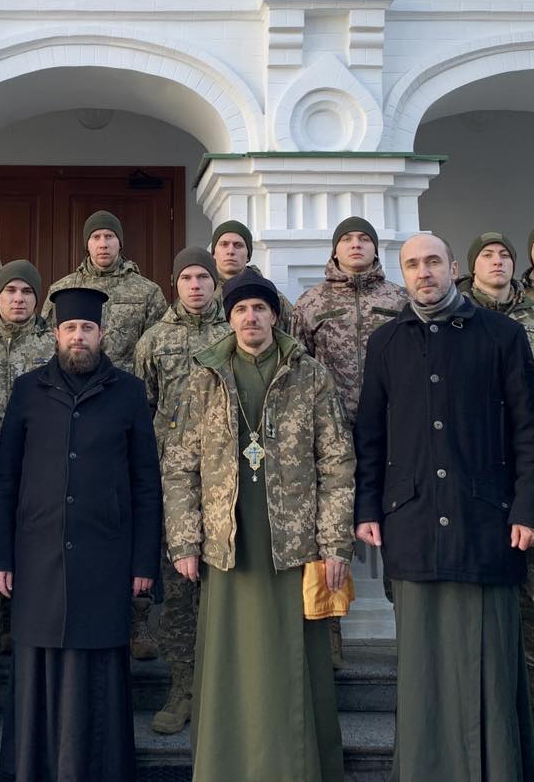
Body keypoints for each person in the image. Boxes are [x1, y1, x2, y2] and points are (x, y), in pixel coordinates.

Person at [355, 233, 534, 782]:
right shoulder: (386, 342)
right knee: (422, 667)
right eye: (413, 264)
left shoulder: (502, 335)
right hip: (412, 520)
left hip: (487, 522)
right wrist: (367, 507)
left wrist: (531, 507)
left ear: (454, 268)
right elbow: (370, 434)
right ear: (402, 273)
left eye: (434, 262)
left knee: (487, 660)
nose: (424, 272)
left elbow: (532, 431)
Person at [164, 267, 353, 782]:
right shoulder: (203, 378)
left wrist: (336, 543)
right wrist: (184, 538)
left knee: (291, 660)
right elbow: (180, 465)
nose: (251, 317)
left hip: (294, 541)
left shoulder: (308, 374)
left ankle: (295, 766)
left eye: (259, 308)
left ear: (275, 316)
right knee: (233, 659)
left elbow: (336, 462)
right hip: (229, 541)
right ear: (230, 319)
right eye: (241, 309)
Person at [0, 286, 162, 781]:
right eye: (70, 329)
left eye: (88, 328)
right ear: (56, 334)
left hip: (105, 557)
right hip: (36, 554)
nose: (79, 337)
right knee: (36, 673)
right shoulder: (28, 389)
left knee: (99, 675)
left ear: (102, 335)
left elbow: (146, 483)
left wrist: (144, 563)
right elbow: (6, 477)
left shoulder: (128, 391)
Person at [459, 231, 534, 748]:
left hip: (526, 468)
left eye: (505, 254)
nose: (498, 262)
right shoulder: (453, 318)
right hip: (468, 471)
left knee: (530, 594)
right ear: (469, 265)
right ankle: (474, 702)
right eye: (487, 255)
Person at [290, 216, 406, 667]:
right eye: (347, 239)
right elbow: (296, 365)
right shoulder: (312, 301)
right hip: (329, 432)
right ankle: (330, 630)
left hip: (391, 431)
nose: (356, 245)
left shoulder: (398, 299)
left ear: (376, 250)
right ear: (334, 250)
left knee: (397, 526)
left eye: (364, 239)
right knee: (328, 533)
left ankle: (408, 624)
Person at [132, 246, 230, 733]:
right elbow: (142, 404)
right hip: (175, 479)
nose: (196, 285)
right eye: (187, 277)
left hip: (230, 478)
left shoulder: (237, 331)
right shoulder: (155, 340)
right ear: (174, 283)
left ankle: (227, 689)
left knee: (230, 585)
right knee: (179, 583)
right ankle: (183, 686)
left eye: (203, 277)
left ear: (216, 283)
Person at [0, 260, 56, 734]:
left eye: (26, 291)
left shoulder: (52, 344)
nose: (18, 298)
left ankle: (29, 686)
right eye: (10, 290)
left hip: (37, 481)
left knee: (33, 584)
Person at [43, 210, 166, 379]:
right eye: (96, 237)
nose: (103, 244)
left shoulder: (148, 291)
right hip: (74, 385)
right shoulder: (63, 289)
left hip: (125, 386)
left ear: (120, 242)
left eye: (109, 236)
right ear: (87, 244)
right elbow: (47, 342)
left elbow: (157, 348)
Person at [210, 219, 293, 322]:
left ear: (248, 255)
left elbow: (293, 332)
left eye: (238, 245)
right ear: (214, 252)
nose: (230, 251)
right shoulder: (202, 292)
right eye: (224, 244)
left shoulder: (268, 294)